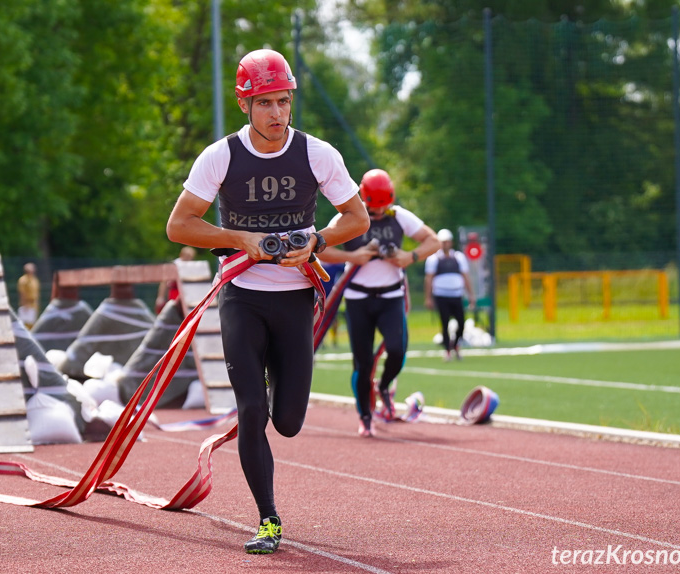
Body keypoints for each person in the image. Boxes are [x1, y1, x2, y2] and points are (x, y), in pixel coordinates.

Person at [165, 48, 369, 555]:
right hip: (242, 297)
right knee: (251, 409)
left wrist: (317, 242)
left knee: (289, 422)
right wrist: (239, 239)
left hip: (296, 298)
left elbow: (357, 219)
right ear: (245, 105)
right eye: (266, 103)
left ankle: (278, 398)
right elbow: (179, 225)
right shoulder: (220, 156)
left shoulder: (318, 153)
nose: (277, 114)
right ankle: (268, 519)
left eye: (284, 101)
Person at [316, 169, 440, 437]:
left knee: (397, 349)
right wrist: (355, 256)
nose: (381, 210)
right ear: (364, 197)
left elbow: (434, 240)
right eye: (375, 205)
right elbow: (320, 248)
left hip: (391, 296)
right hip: (358, 298)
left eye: (385, 204)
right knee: (362, 361)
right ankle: (365, 417)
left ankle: (383, 386)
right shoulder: (347, 218)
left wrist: (410, 256)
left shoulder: (399, 216)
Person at [424, 228, 475, 361]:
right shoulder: (433, 259)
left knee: (461, 323)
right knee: (445, 323)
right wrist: (428, 297)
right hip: (441, 295)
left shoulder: (458, 257)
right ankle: (447, 350)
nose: (445, 244)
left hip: (456, 295)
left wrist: (471, 295)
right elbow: (429, 278)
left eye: (447, 242)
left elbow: (466, 276)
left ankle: (456, 344)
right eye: (443, 242)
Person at [155, 245, 197, 314]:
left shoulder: (191, 266)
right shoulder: (174, 265)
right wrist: (160, 297)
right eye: (187, 257)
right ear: (182, 255)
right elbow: (164, 282)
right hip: (175, 293)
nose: (189, 260)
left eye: (191, 258)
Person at [17, 262, 40, 329]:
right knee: (25, 325)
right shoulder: (23, 280)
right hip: (27, 305)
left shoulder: (35, 280)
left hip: (34, 305)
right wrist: (24, 305)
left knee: (33, 325)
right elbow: (22, 293)